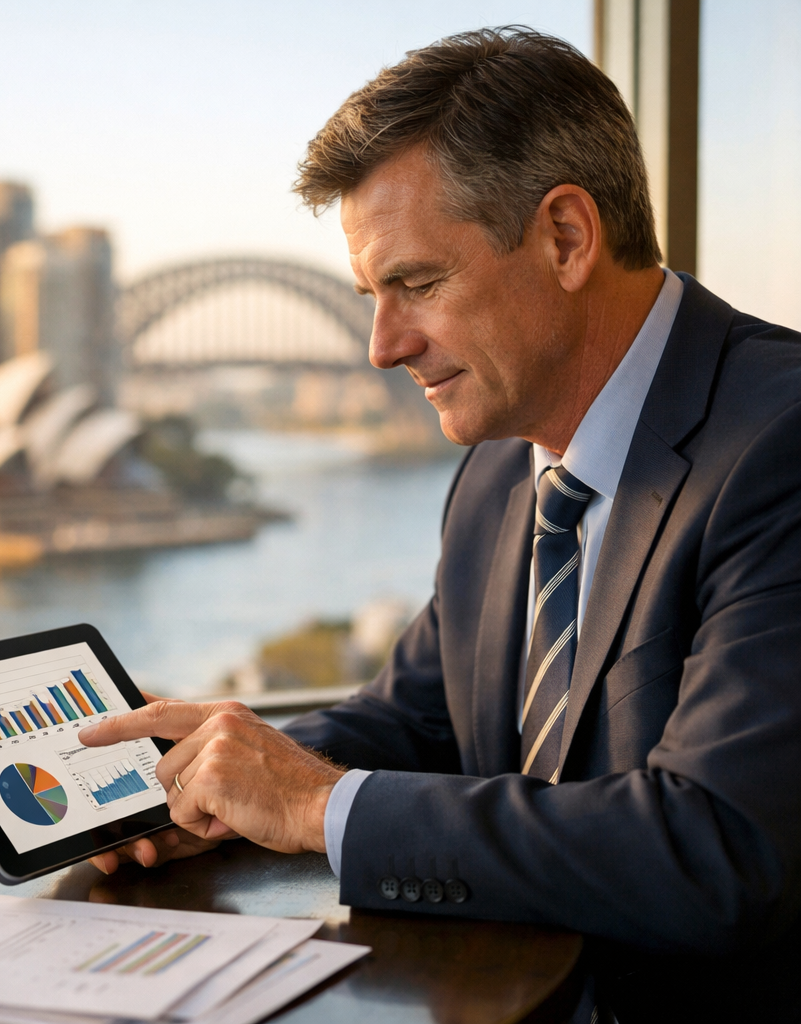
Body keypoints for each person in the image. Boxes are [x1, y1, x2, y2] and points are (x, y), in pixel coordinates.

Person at [76, 28, 801, 1021]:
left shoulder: (780, 444)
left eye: (416, 284)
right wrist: (222, 780)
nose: (381, 347)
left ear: (565, 237)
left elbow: (719, 850)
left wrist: (309, 803)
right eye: (371, 297)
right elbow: (416, 722)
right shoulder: (502, 467)